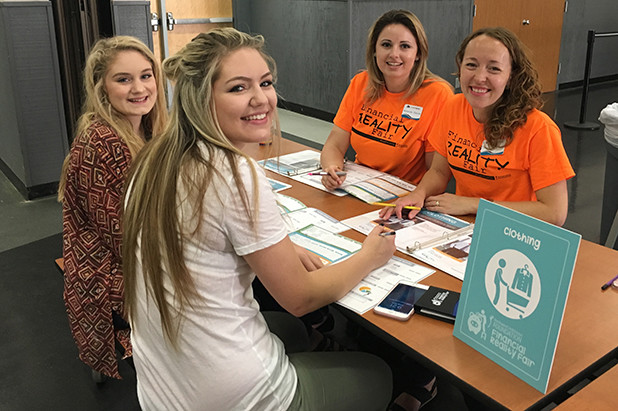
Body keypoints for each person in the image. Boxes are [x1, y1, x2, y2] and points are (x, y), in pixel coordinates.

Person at [122, 28, 397, 410]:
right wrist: (371, 255)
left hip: (164, 387)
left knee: (291, 333)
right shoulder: (233, 174)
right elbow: (301, 297)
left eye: (265, 83)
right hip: (234, 396)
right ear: (201, 98)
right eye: (238, 88)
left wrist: (282, 249)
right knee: (378, 375)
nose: (261, 99)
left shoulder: (154, 159)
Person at [382, 27, 575, 226]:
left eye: (494, 68)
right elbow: (439, 172)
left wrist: (474, 205)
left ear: (511, 77)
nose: (480, 77)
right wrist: (418, 194)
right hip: (463, 224)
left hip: (514, 230)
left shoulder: (539, 129)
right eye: (471, 65)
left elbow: (554, 213)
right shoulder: (453, 107)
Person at [58, 36, 167, 379]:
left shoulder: (149, 130)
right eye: (124, 79)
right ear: (101, 87)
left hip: (136, 252)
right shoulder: (99, 142)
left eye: (146, 76)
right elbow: (122, 239)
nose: (139, 88)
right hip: (108, 274)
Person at [320, 9, 453, 190]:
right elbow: (335, 144)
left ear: (418, 54)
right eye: (386, 45)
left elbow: (436, 171)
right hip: (358, 187)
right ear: (374, 50)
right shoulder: (361, 83)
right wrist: (332, 169)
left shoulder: (437, 94)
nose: (394, 54)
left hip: (403, 196)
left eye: (405, 46)